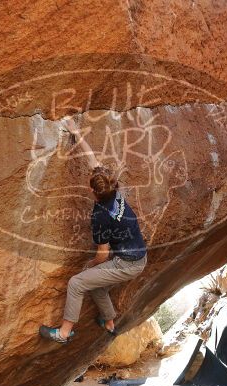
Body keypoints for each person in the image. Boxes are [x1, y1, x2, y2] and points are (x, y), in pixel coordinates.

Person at [39, 120, 147, 344]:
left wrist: (88, 265)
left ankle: (64, 333)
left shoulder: (100, 216)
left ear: (93, 192)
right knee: (97, 287)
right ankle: (108, 322)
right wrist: (76, 133)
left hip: (125, 264)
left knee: (77, 283)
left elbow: (102, 255)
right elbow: (93, 161)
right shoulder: (115, 190)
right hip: (139, 257)